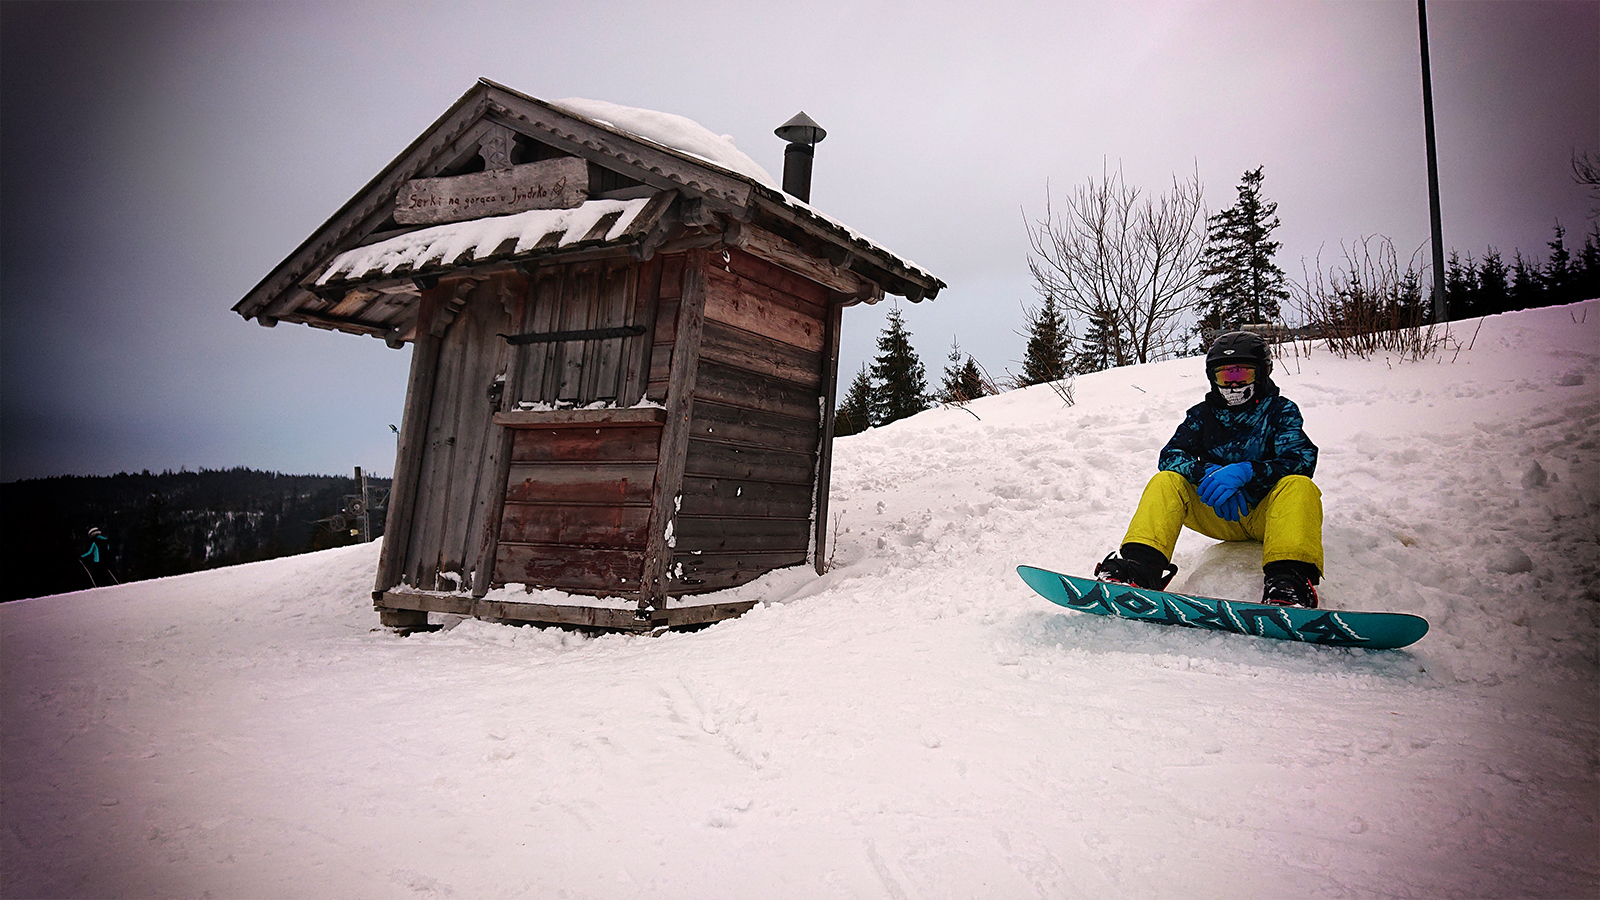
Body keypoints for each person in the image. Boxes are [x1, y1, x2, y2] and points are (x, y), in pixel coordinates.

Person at [1094, 331, 1323, 608]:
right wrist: (1206, 473)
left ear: (1263, 373)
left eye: (1243, 374)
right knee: (1166, 481)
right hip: (1217, 510)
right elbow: (1170, 456)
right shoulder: (1201, 415)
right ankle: (1140, 567)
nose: (1234, 384)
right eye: (1225, 376)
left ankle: (1289, 583)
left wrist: (1248, 472)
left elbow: (1301, 459)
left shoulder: (1281, 411)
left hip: (1270, 516)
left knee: (1300, 486)